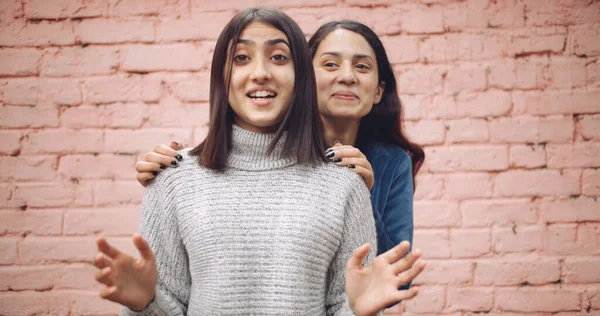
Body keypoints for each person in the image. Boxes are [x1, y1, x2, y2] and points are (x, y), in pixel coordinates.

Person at [93, 7, 424, 316]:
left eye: (279, 57)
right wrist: (146, 304)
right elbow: (166, 301)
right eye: (241, 58)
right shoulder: (173, 178)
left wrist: (358, 311)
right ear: (221, 76)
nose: (261, 72)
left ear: (300, 78)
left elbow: (357, 296)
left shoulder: (350, 180)